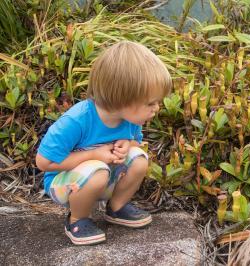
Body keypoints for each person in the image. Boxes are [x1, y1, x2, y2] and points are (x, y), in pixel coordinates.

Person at [35, 41, 172, 245]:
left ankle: (117, 208)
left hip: (103, 176)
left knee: (140, 160)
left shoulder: (130, 120)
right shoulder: (77, 120)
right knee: (98, 170)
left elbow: (136, 144)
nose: (156, 108)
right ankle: (77, 219)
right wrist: (93, 155)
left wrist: (128, 144)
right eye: (150, 103)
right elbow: (44, 162)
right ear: (122, 98)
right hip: (64, 184)